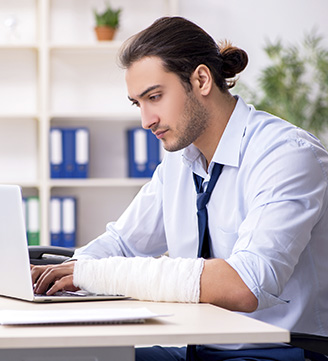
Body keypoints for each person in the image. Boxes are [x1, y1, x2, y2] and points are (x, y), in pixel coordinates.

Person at [31, 16, 328, 361]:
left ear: (201, 79)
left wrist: (92, 274)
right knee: (66, 356)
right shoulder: (180, 162)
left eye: (154, 97)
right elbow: (123, 244)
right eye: (138, 104)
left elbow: (246, 284)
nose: (146, 120)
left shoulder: (286, 154)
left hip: (278, 352)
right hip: (201, 349)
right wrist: (56, 278)